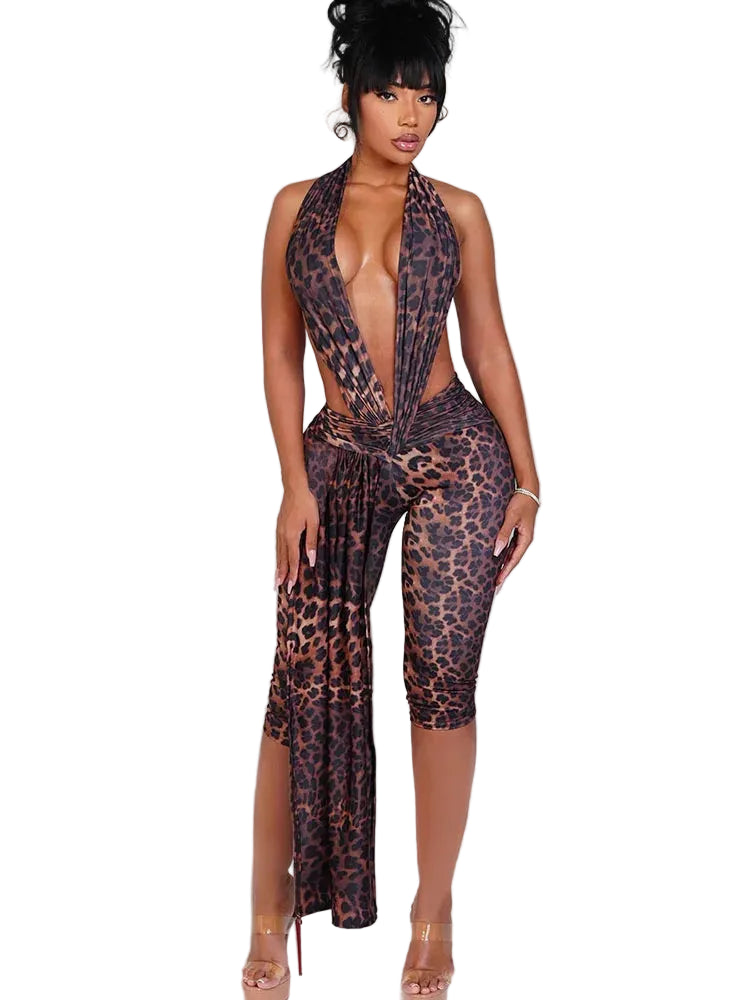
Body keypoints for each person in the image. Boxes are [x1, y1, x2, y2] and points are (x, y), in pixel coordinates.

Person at [242, 0, 540, 995]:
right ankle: (268, 906)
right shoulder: (295, 207)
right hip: (339, 452)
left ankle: (434, 908)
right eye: (391, 92)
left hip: (454, 447)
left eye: (427, 95)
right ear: (351, 96)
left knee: (440, 674)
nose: (412, 114)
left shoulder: (460, 212)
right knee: (300, 670)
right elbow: (280, 357)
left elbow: (489, 345)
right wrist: (292, 483)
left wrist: (528, 477)